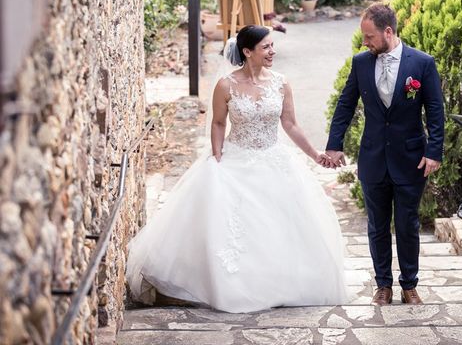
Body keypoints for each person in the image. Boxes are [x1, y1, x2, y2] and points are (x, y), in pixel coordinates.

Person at [126, 25, 347, 313]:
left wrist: (315, 153)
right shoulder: (225, 85)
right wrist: (217, 155)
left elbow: (290, 124)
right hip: (236, 159)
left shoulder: (281, 83)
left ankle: (282, 281)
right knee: (236, 228)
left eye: (272, 46)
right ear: (247, 51)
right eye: (266, 47)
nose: (273, 51)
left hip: (274, 160)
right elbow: (218, 123)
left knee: (281, 223)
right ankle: (236, 285)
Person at [326, 3, 445, 306]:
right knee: (377, 226)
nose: (364, 42)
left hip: (411, 159)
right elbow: (345, 104)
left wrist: (434, 152)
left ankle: (409, 285)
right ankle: (383, 286)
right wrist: (334, 144)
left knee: (407, 224)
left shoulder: (422, 63)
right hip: (373, 158)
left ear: (388, 32)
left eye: (369, 37)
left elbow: (434, 110)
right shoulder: (360, 63)